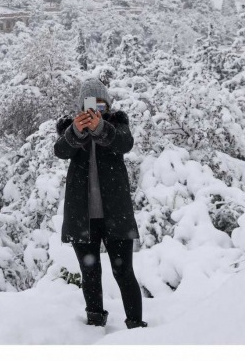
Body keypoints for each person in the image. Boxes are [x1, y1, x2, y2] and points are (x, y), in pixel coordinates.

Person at [53, 77, 147, 329]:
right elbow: (61, 151)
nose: (96, 109)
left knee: (123, 271)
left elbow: (125, 143)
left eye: (101, 104)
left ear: (108, 104)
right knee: (90, 272)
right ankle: (94, 323)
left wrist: (101, 128)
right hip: (82, 216)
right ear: (81, 105)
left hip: (116, 214)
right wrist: (77, 132)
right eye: (90, 104)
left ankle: (136, 325)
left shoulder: (117, 123)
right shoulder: (70, 126)